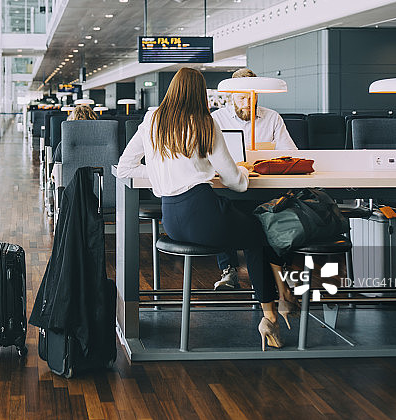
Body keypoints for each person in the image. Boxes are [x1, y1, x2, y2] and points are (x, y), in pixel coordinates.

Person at [117, 67, 297, 350]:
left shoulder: (151, 120)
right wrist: (244, 170)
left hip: (172, 220)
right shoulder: (204, 123)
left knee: (252, 231)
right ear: (200, 93)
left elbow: (125, 167)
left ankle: (279, 300)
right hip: (204, 216)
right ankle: (271, 313)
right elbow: (236, 183)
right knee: (258, 233)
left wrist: (163, 173)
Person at [211, 67, 298, 290]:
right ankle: (229, 269)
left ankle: (274, 271)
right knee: (221, 206)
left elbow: (290, 155)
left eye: (253, 97)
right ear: (231, 97)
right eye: (242, 98)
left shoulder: (272, 118)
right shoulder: (216, 120)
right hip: (229, 186)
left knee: (272, 211)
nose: (248, 103)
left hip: (265, 187)